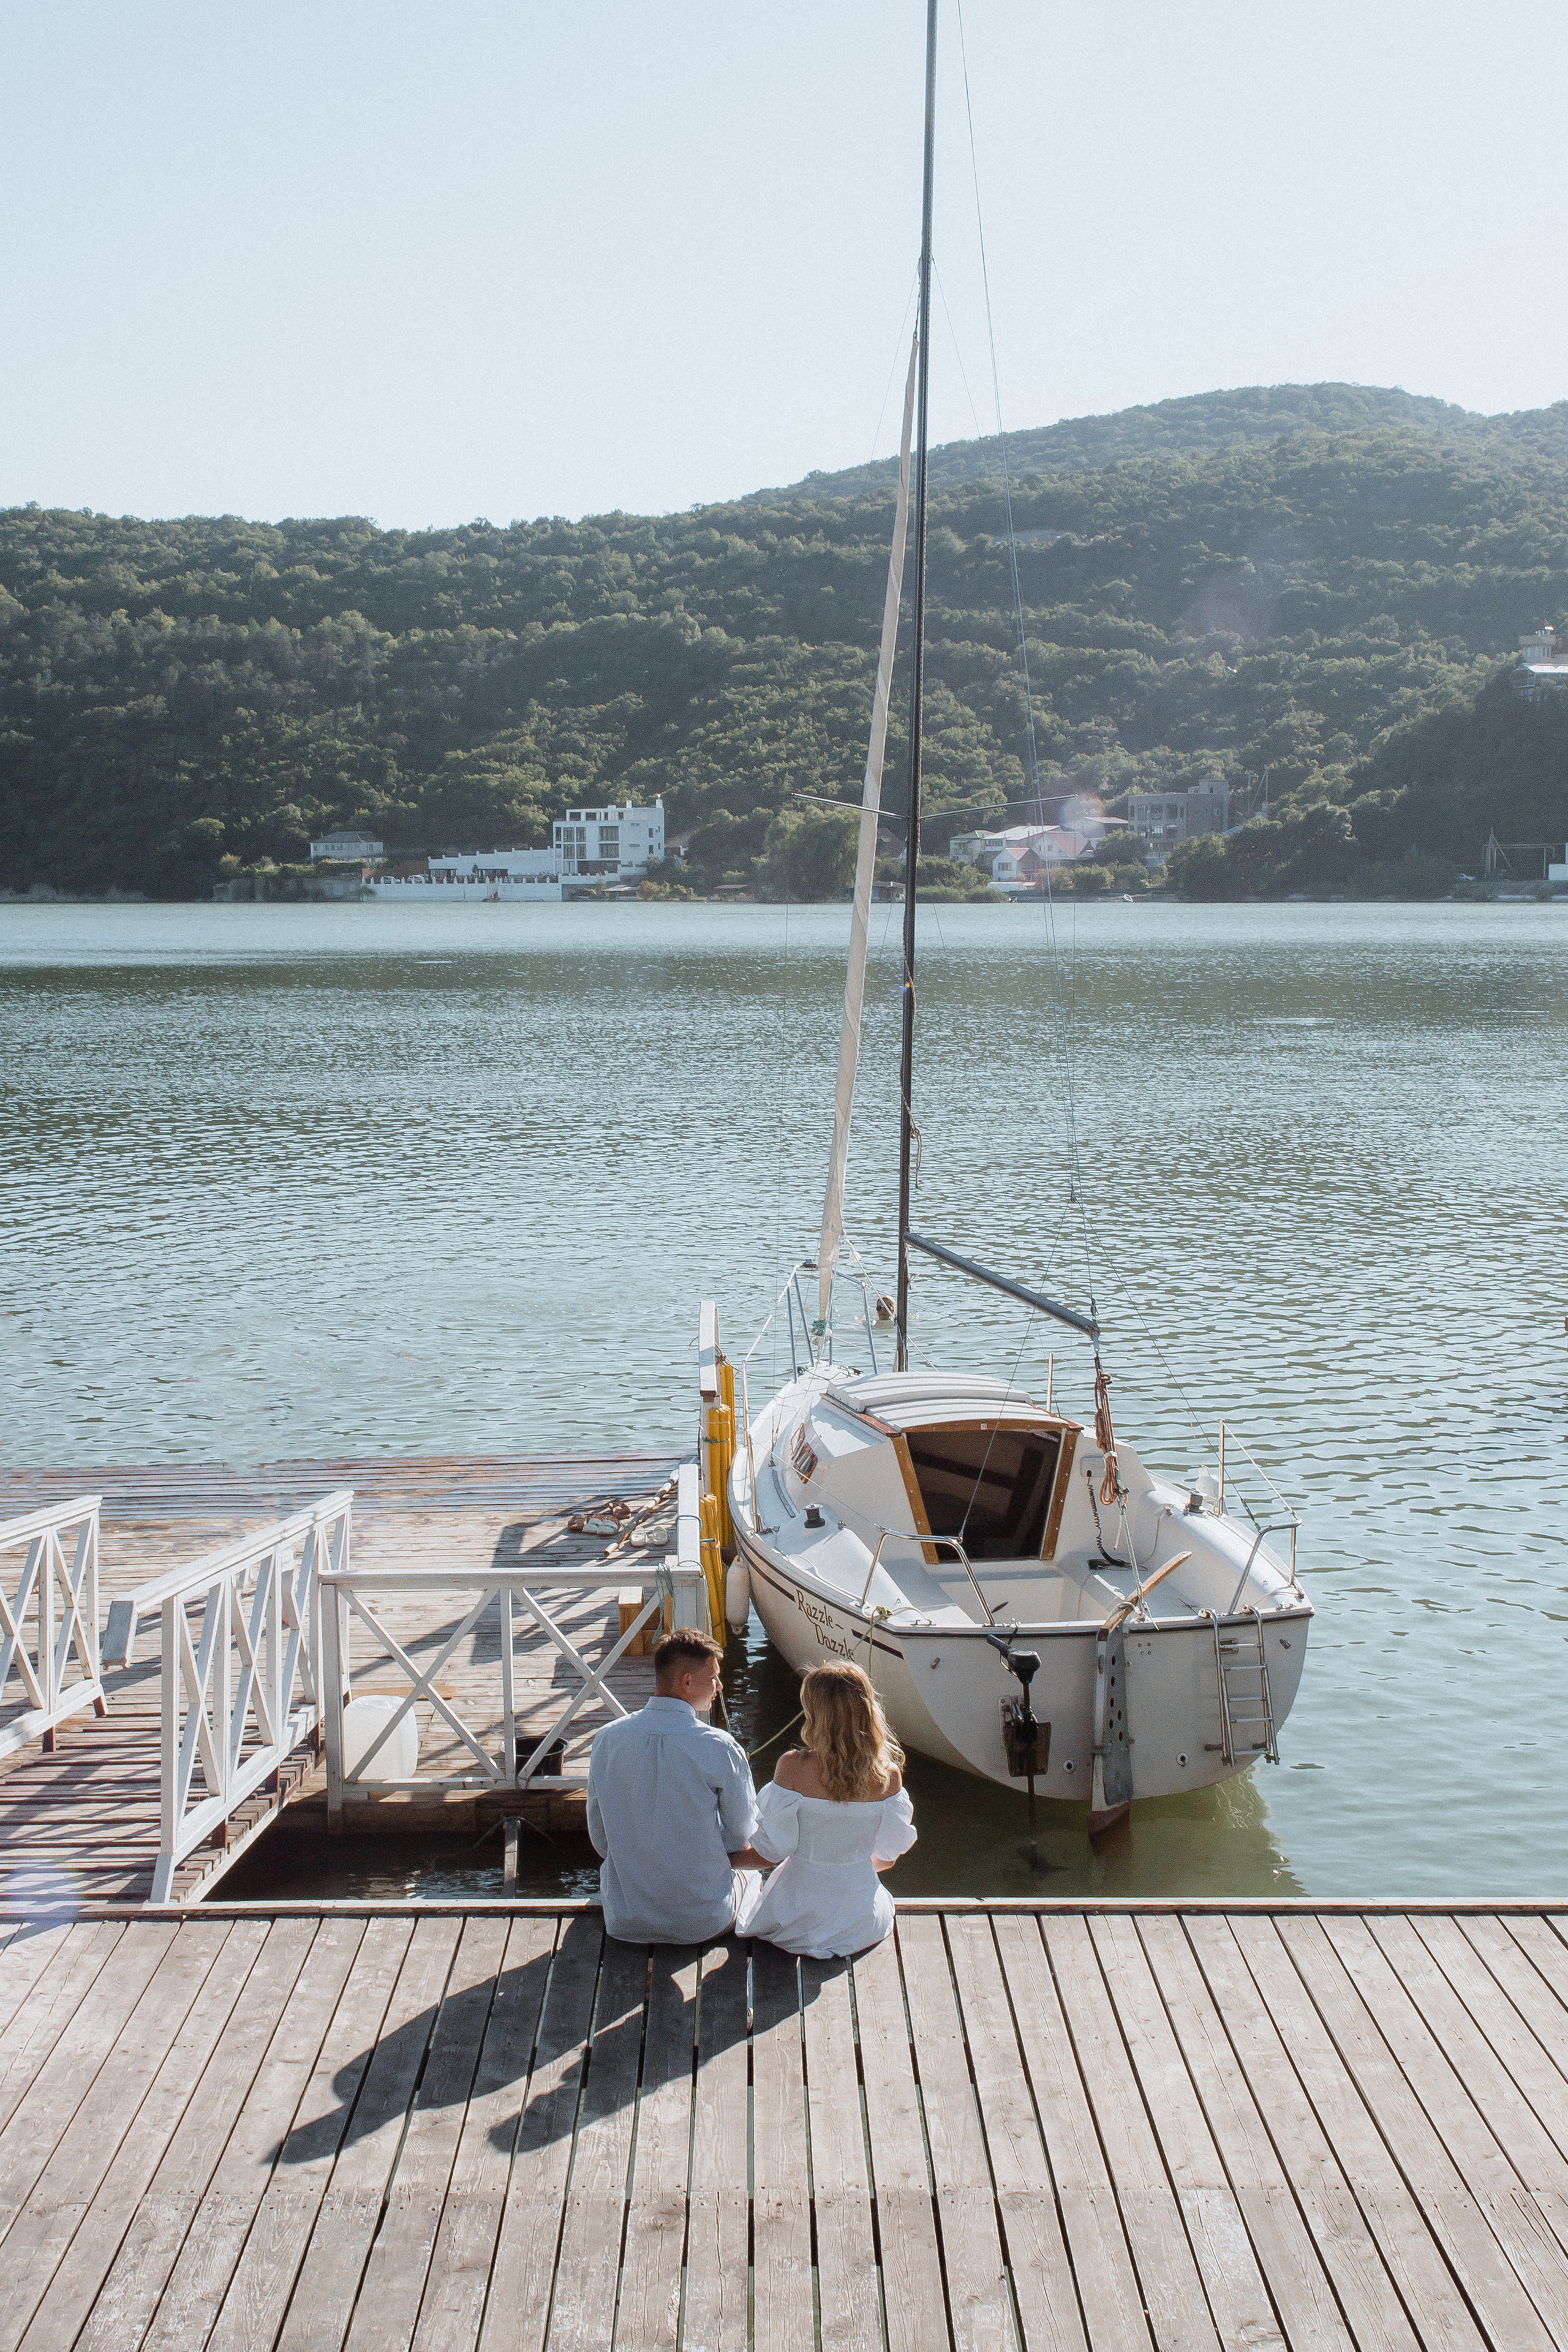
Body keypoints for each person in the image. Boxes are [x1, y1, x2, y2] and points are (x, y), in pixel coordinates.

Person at [586, 1626, 766, 1944]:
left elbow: (601, 1841)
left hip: (625, 1921)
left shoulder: (606, 1740)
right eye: (713, 1678)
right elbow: (742, 1836)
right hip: (703, 1924)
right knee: (752, 1874)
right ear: (686, 1682)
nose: (719, 1686)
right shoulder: (721, 1747)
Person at [736, 1660, 916, 1959]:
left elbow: (771, 1853)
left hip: (795, 1916)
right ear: (868, 1712)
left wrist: (723, 1858)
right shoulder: (888, 1776)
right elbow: (888, 1858)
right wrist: (846, 1867)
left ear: (815, 1714)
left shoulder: (792, 1767)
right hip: (860, 1921)